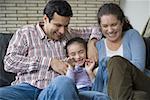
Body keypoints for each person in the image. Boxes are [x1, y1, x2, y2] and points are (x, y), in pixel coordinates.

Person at [0, 0, 102, 100]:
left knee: (64, 82)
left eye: (65, 25)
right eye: (58, 25)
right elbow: (9, 62)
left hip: (54, 89)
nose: (62, 31)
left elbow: (96, 29)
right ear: (45, 19)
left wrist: (92, 43)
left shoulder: (69, 33)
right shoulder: (25, 33)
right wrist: (49, 62)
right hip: (26, 88)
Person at [92, 3, 150, 100]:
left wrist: (113, 66)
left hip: (140, 82)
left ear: (122, 22)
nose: (110, 30)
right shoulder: (99, 45)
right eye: (105, 26)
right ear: (100, 27)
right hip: (118, 91)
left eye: (114, 24)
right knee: (140, 97)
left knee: (115, 62)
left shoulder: (132, 35)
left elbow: (139, 66)